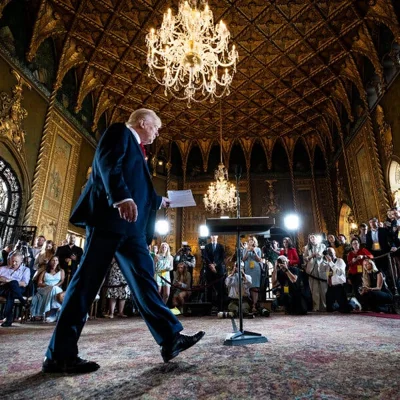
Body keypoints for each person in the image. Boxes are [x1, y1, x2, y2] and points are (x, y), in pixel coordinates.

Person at [42, 108, 204, 374]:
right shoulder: (120, 132)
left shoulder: (140, 153)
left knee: (145, 282)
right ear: (142, 122)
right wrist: (120, 197)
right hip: (109, 220)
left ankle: (170, 339)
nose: (158, 131)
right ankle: (60, 355)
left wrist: (160, 200)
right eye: (156, 126)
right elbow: (107, 163)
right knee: (85, 285)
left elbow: (141, 190)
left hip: (133, 231)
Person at [0, 252, 30, 327]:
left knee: (13, 285)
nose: (14, 263)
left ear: (21, 261)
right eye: (12, 261)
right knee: (12, 286)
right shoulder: (3, 268)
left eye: (16, 261)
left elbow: (24, 283)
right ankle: (23, 301)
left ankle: (8, 318)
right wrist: (9, 282)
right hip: (3, 288)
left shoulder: (25, 270)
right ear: (9, 260)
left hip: (19, 289)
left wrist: (8, 281)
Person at [30, 256, 65, 322]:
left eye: (56, 260)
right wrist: (47, 285)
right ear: (50, 262)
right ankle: (52, 313)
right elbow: (39, 283)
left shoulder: (61, 271)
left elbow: (62, 281)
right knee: (52, 289)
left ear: (58, 262)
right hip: (45, 288)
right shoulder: (44, 272)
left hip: (57, 288)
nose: (55, 262)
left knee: (54, 289)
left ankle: (50, 313)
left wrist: (55, 286)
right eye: (53, 260)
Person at [322, 248, 350, 313]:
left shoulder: (340, 261)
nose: (329, 254)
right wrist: (324, 260)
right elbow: (324, 271)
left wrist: (331, 262)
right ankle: (336, 306)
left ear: (335, 253)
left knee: (344, 310)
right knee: (329, 309)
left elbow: (339, 273)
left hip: (339, 286)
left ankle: (351, 305)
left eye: (331, 252)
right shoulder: (327, 264)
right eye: (327, 253)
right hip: (330, 287)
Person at [303, 234, 327, 311]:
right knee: (314, 289)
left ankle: (324, 307)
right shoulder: (307, 248)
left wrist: (318, 254)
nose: (312, 239)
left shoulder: (322, 246)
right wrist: (312, 255)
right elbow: (305, 258)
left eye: (313, 237)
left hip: (321, 268)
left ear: (317, 238)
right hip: (311, 269)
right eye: (310, 238)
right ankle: (316, 307)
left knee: (323, 288)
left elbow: (323, 255)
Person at [204, 235, 226, 311]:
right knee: (209, 289)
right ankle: (208, 308)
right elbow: (205, 256)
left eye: (215, 236)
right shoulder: (207, 246)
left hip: (218, 271)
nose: (213, 237)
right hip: (209, 270)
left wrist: (215, 264)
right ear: (210, 237)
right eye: (212, 236)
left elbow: (222, 257)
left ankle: (220, 307)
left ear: (217, 237)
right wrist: (211, 265)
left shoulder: (220, 246)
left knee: (220, 289)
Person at [242, 236, 263, 313]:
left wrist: (254, 252)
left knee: (255, 287)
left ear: (254, 242)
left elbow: (259, 260)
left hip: (256, 269)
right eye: (249, 240)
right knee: (249, 286)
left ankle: (254, 304)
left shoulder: (258, 249)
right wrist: (247, 251)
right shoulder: (245, 249)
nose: (251, 242)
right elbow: (243, 259)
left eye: (252, 240)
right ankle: (249, 304)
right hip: (248, 269)